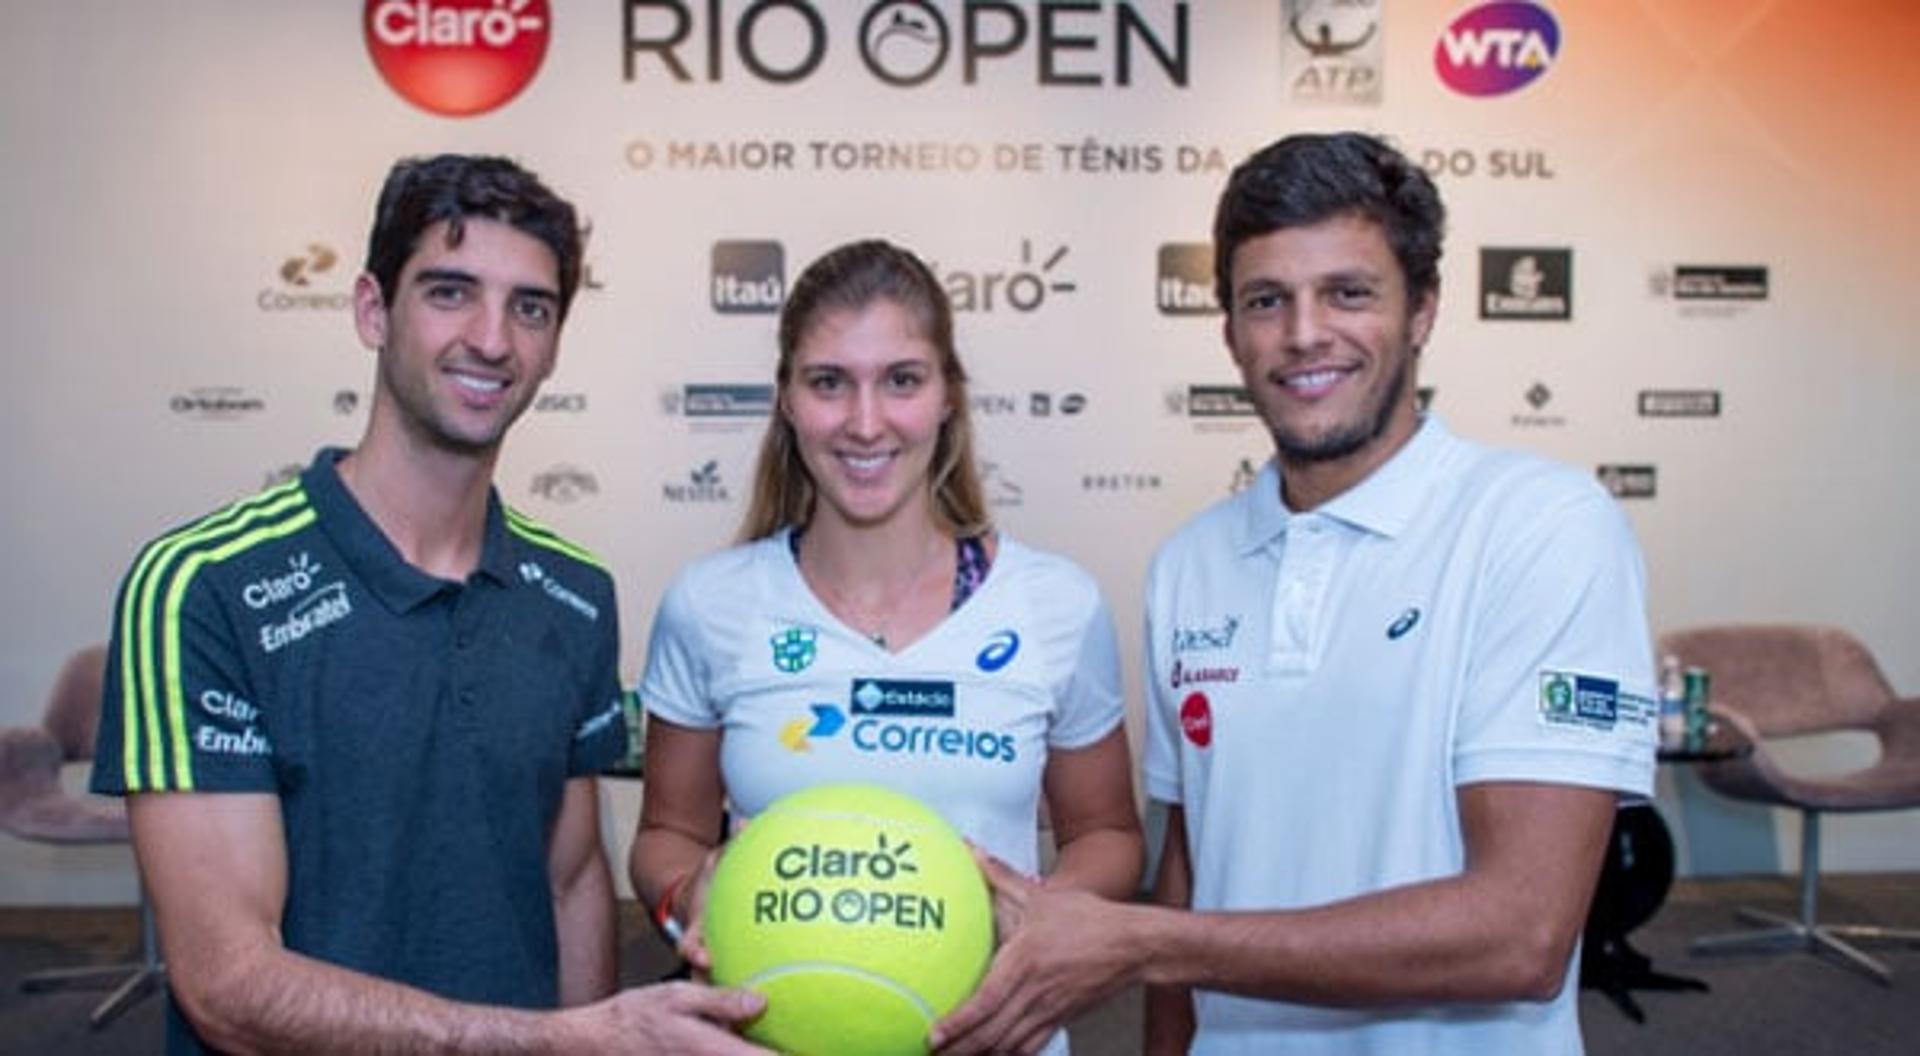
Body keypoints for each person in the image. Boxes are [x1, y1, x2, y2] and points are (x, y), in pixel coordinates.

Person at [931, 132, 1659, 1055]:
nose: (1304, 333)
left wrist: (1148, 944)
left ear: (1424, 307)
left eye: (1348, 293)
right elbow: (1192, 869)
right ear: (1230, 330)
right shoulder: (1190, 562)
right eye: (1266, 300)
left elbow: (1522, 933)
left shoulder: (1539, 526)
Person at [91, 154, 767, 1054]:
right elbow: (228, 986)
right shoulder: (201, 586)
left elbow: (569, 883)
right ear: (374, 310)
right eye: (451, 292)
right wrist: (561, 1043)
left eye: (530, 307)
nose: (492, 339)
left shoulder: (572, 593)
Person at [630, 239, 1145, 1053]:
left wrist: (1041, 917)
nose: (865, 423)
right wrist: (688, 893)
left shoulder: (1055, 605)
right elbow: (664, 834)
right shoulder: (711, 604)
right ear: (788, 400)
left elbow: (1109, 837)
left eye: (901, 380)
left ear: (947, 397)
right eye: (830, 382)